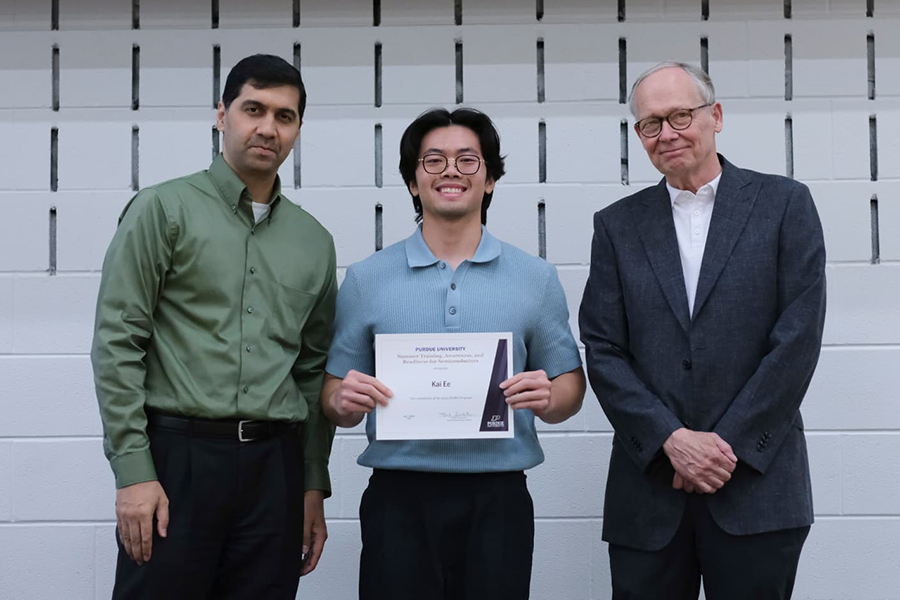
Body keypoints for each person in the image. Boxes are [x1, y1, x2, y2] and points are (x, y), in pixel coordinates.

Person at [91, 54, 336, 600]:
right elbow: (118, 341)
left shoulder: (313, 242)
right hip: (179, 462)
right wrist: (134, 471)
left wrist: (311, 483)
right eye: (253, 109)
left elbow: (312, 370)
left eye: (285, 116)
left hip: (275, 469)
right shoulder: (162, 210)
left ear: (297, 129)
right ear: (221, 115)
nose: (268, 128)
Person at [579, 62, 826, 600]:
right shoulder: (616, 226)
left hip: (757, 488)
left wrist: (722, 447)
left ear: (715, 117)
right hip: (649, 492)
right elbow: (602, 348)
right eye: (650, 123)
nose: (666, 133)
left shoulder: (785, 205)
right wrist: (671, 439)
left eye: (680, 116)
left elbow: (798, 338)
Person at [321, 107, 586, 600]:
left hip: (499, 495)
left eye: (468, 160)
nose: (450, 172)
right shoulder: (365, 279)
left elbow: (571, 386)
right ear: (412, 181)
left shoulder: (535, 278)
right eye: (434, 160)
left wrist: (551, 396)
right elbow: (332, 396)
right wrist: (341, 400)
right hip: (398, 496)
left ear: (489, 180)